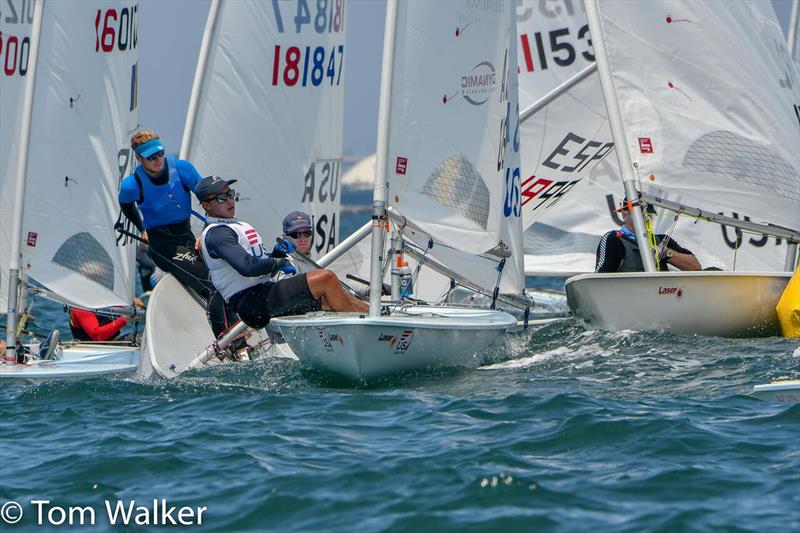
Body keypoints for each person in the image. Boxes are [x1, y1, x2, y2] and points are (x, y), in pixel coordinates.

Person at [197, 176, 368, 329]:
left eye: (230, 193)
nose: (229, 200)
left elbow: (258, 265)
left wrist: (276, 255)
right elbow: (248, 267)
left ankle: (374, 317)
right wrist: (279, 263)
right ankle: (364, 331)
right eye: (221, 197)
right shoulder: (217, 233)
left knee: (335, 297)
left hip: (263, 292)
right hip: (252, 303)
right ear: (206, 206)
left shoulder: (233, 226)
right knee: (325, 278)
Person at [117, 130, 232, 336]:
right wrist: (141, 228)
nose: (157, 160)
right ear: (139, 158)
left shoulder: (181, 169)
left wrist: (209, 231)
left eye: (159, 154)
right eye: (151, 157)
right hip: (163, 246)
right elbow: (126, 206)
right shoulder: (131, 185)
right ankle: (226, 339)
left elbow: (207, 197)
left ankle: (238, 326)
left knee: (224, 275)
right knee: (209, 281)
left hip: (186, 236)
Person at [595, 198, 702, 272]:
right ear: (625, 215)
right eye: (641, 215)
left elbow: (695, 267)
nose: (647, 219)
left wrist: (666, 253)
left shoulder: (662, 240)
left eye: (649, 215)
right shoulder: (613, 239)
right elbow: (600, 281)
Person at [69, 299, 144, 342]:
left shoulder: (105, 300)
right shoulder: (80, 307)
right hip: (92, 352)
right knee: (140, 340)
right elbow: (97, 336)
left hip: (113, 345)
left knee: (145, 336)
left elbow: (121, 306)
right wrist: (124, 319)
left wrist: (131, 303)